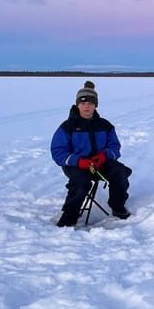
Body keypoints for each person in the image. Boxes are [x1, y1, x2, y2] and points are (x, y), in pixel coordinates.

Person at [50, 81, 132, 227]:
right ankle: (69, 215)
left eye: (90, 103)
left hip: (100, 162)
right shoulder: (67, 127)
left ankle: (117, 206)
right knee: (81, 182)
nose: (86, 106)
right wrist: (78, 161)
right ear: (77, 105)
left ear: (95, 105)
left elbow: (115, 147)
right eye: (83, 103)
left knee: (120, 172)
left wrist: (104, 155)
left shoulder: (105, 125)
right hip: (76, 165)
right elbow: (58, 152)